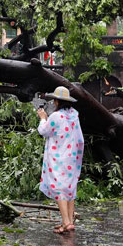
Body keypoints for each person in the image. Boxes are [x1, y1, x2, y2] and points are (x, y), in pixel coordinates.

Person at [37, 86, 84, 234]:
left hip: (58, 156)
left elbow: (44, 131)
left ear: (57, 101)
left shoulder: (56, 117)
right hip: (72, 157)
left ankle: (65, 222)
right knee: (69, 187)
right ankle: (69, 221)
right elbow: (80, 138)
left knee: (59, 188)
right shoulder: (74, 115)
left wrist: (43, 118)